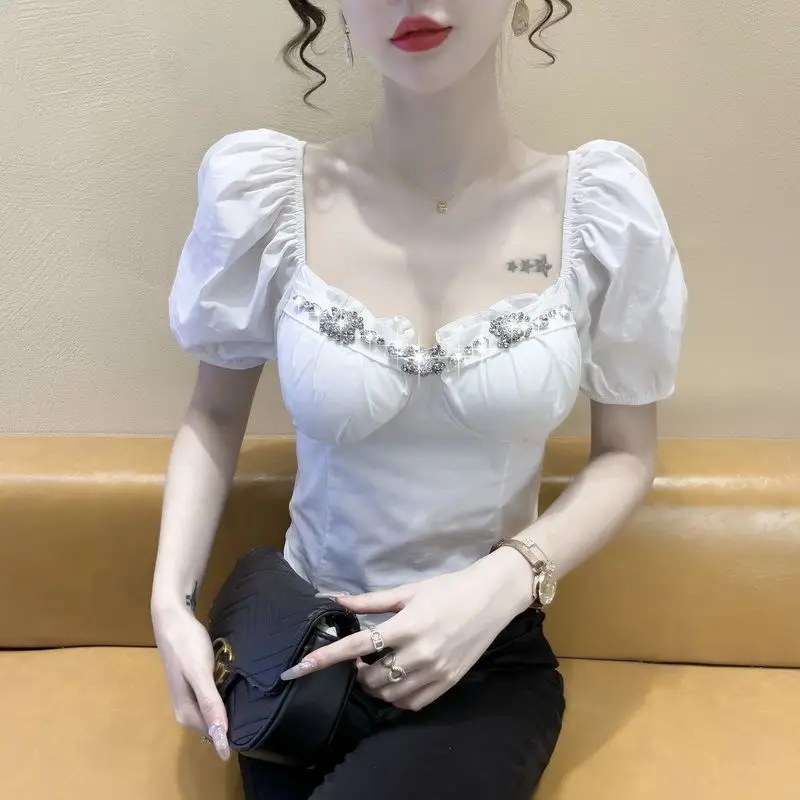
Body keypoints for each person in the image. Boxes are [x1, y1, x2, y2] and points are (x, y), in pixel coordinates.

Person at [151, 1, 687, 798]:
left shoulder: (599, 208)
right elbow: (214, 416)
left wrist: (504, 581)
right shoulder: (266, 195)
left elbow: (627, 455)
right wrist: (170, 605)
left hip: (481, 662)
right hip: (299, 656)